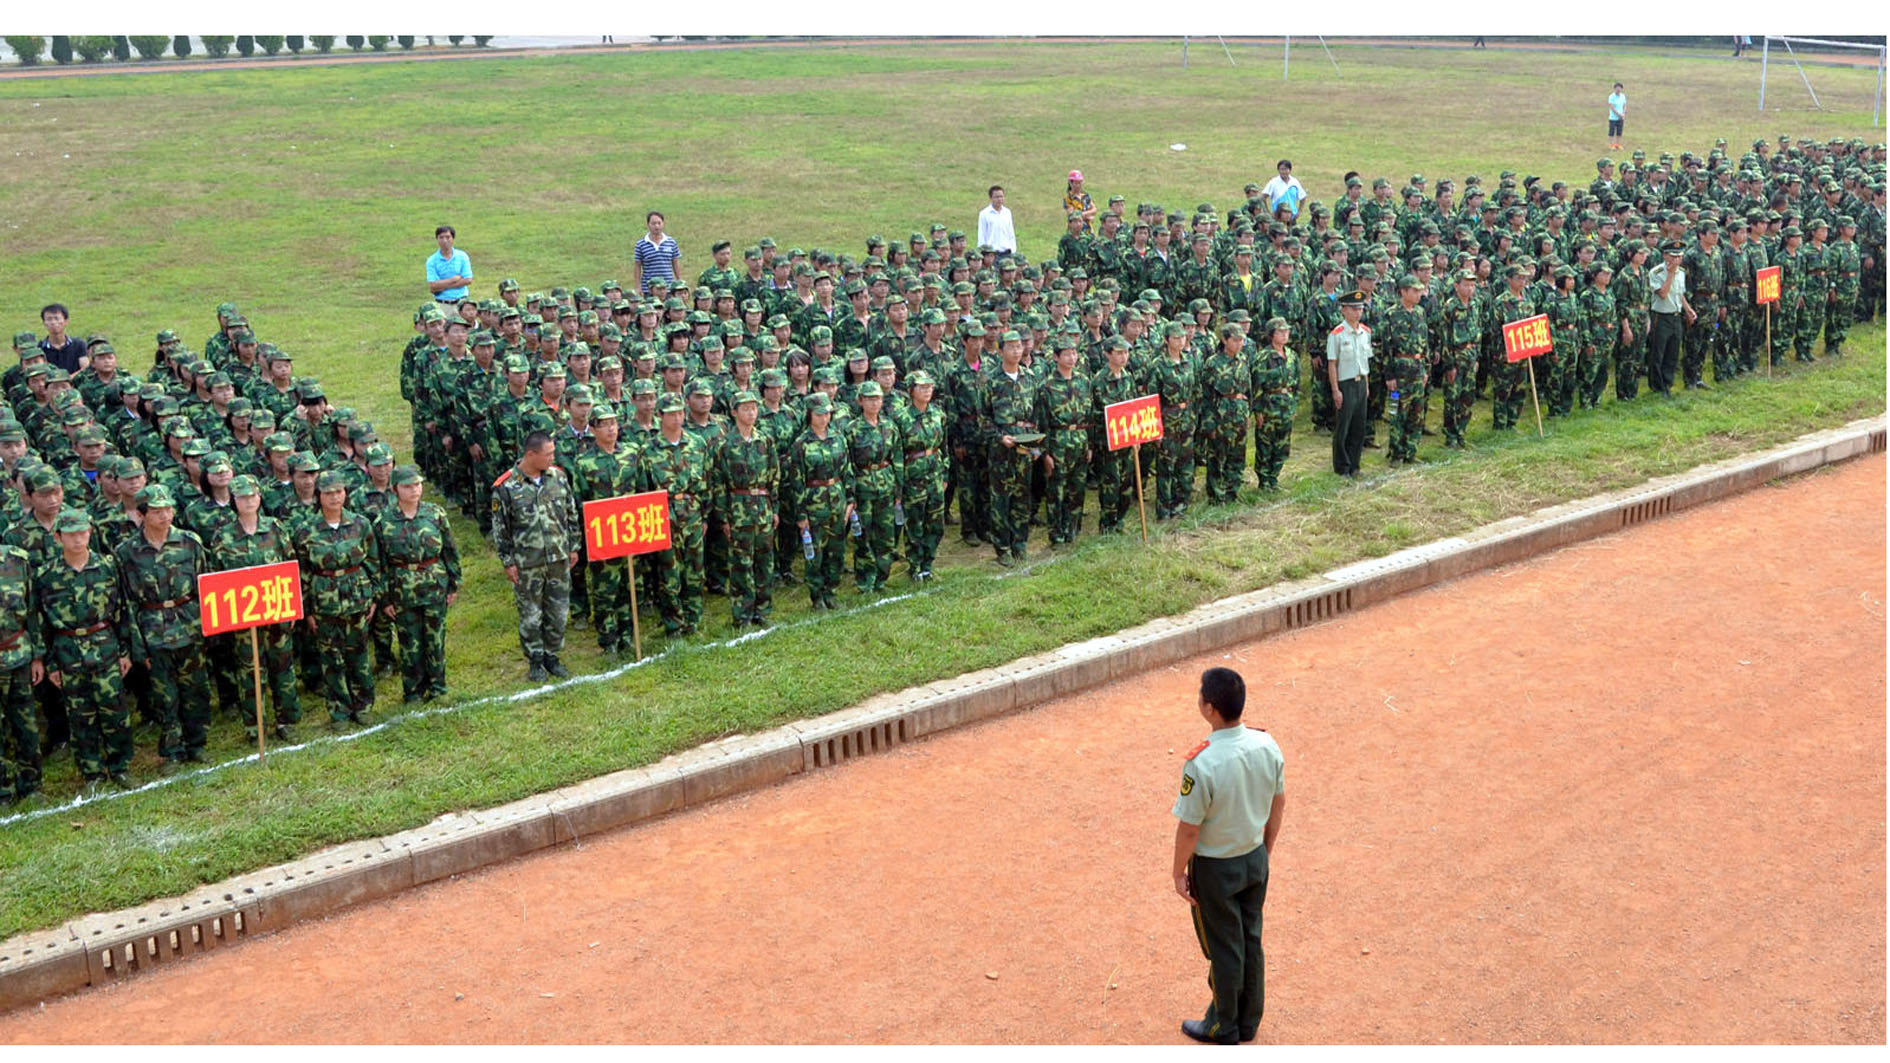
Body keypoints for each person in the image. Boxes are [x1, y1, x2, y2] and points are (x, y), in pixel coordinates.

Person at [1172, 666, 1286, 1045]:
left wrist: (1177, 873)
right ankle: (1249, 1020)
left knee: (1224, 945)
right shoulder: (1266, 745)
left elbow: (1190, 828)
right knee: (1251, 937)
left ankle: (1224, 1024)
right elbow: (1278, 801)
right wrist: (1265, 849)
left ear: (1210, 709)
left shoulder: (1202, 762)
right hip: (1254, 857)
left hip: (1216, 868)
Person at [34, 508, 134, 790]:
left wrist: (125, 651)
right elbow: (42, 624)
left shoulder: (107, 566)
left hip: (104, 644)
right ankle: (92, 772)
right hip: (67, 650)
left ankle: (121, 766)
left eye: (83, 532)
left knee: (115, 709)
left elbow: (121, 611)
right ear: (58, 537)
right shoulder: (46, 576)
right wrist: (51, 663)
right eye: (71, 534)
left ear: (90, 533)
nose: (78, 539)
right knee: (80, 714)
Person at [115, 484, 212, 764]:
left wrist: (207, 627)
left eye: (168, 509)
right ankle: (172, 750)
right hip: (152, 628)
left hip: (189, 623)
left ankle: (197, 744)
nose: (164, 516)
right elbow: (127, 602)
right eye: (156, 511)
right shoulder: (127, 552)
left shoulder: (189, 542)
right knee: (164, 694)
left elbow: (204, 584)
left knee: (195, 688)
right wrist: (137, 647)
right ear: (142, 514)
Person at [295, 470, 383, 724]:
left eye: (339, 492)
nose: (334, 497)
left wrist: (374, 596)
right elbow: (302, 572)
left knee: (359, 653)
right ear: (318, 496)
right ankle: (339, 711)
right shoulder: (306, 530)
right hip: (324, 602)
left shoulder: (360, 524)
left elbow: (373, 561)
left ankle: (363, 705)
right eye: (328, 493)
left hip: (357, 597)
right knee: (331, 658)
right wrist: (308, 610)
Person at [492, 431, 580, 679]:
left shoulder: (558, 478)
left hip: (558, 558)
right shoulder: (506, 486)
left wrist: (573, 546)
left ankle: (552, 656)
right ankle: (535, 661)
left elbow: (571, 513)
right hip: (527, 563)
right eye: (548, 454)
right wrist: (508, 562)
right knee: (531, 615)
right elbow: (501, 529)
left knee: (559, 611)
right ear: (531, 455)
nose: (552, 458)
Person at [375, 464, 460, 702]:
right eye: (407, 486)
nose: (414, 490)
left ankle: (438, 687)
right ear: (395, 490)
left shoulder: (435, 514)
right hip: (402, 588)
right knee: (409, 642)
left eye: (417, 485)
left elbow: (450, 551)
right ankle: (413, 690)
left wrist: (453, 584)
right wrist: (384, 598)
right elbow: (379, 563)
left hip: (434, 584)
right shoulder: (384, 521)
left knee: (435, 639)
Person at [1327, 289, 1371, 476]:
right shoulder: (1337, 334)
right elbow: (1332, 364)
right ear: (1343, 310)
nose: (1357, 312)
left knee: (1359, 427)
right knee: (1343, 427)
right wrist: (1336, 390)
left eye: (1360, 309)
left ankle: (1355, 464)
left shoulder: (1365, 332)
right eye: (1353, 309)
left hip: (1361, 383)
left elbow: (1366, 361)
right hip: (1345, 384)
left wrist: (1367, 386)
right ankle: (1342, 466)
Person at [1646, 239, 1689, 396]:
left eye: (1679, 257)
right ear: (1665, 256)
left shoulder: (1682, 272)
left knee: (1672, 352)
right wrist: (1670, 274)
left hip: (1676, 315)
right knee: (1658, 352)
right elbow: (1663, 294)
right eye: (1673, 256)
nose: (1677, 260)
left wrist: (1689, 310)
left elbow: (1680, 294)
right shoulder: (1655, 272)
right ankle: (1657, 385)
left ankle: (1667, 383)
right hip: (1661, 316)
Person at [633, 210, 682, 296]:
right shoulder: (641, 244)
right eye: (653, 223)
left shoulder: (671, 242)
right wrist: (638, 286)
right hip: (649, 289)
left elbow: (675, 263)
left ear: (663, 224)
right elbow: (637, 266)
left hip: (668, 287)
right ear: (648, 225)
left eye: (659, 223)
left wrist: (679, 281)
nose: (656, 226)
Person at [426, 225, 473, 304]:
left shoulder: (462, 256)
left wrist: (442, 286)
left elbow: (468, 280)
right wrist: (453, 280)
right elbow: (433, 285)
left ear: (453, 239)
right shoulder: (432, 260)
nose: (445, 241)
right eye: (441, 237)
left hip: (462, 303)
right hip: (443, 304)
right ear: (437, 239)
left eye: (448, 237)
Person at [38, 304, 89, 374]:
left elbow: (85, 368)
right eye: (49, 319)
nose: (53, 322)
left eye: (57, 318)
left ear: (66, 321)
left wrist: (68, 380)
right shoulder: (39, 348)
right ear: (44, 323)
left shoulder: (79, 344)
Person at [978, 185, 1017, 255]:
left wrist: (1013, 250)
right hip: (993, 253)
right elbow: (982, 235)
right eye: (996, 197)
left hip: (1007, 252)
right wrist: (982, 252)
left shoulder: (1007, 212)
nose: (999, 199)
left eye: (1001, 196)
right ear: (991, 198)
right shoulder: (984, 214)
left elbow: (1011, 234)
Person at [1606, 82, 1627, 151]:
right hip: (1613, 118)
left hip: (1621, 118)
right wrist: (1619, 114)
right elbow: (1612, 107)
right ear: (1614, 88)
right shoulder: (1611, 96)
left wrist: (1623, 113)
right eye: (1617, 88)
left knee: (1619, 132)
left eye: (1620, 88)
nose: (1618, 89)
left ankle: (1618, 144)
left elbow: (1624, 105)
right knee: (1612, 132)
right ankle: (1612, 145)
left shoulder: (1623, 96)